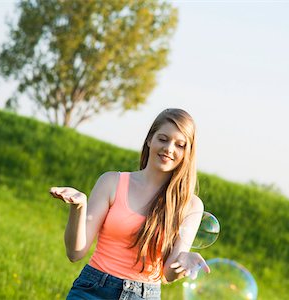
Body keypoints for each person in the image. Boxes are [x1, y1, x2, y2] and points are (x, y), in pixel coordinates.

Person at [49, 108, 210, 300]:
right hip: (92, 290)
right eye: (163, 139)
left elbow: (168, 273)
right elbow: (75, 253)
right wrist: (79, 207)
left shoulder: (189, 205)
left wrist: (184, 261)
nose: (169, 149)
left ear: (188, 152)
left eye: (180, 145)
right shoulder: (111, 182)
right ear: (150, 140)